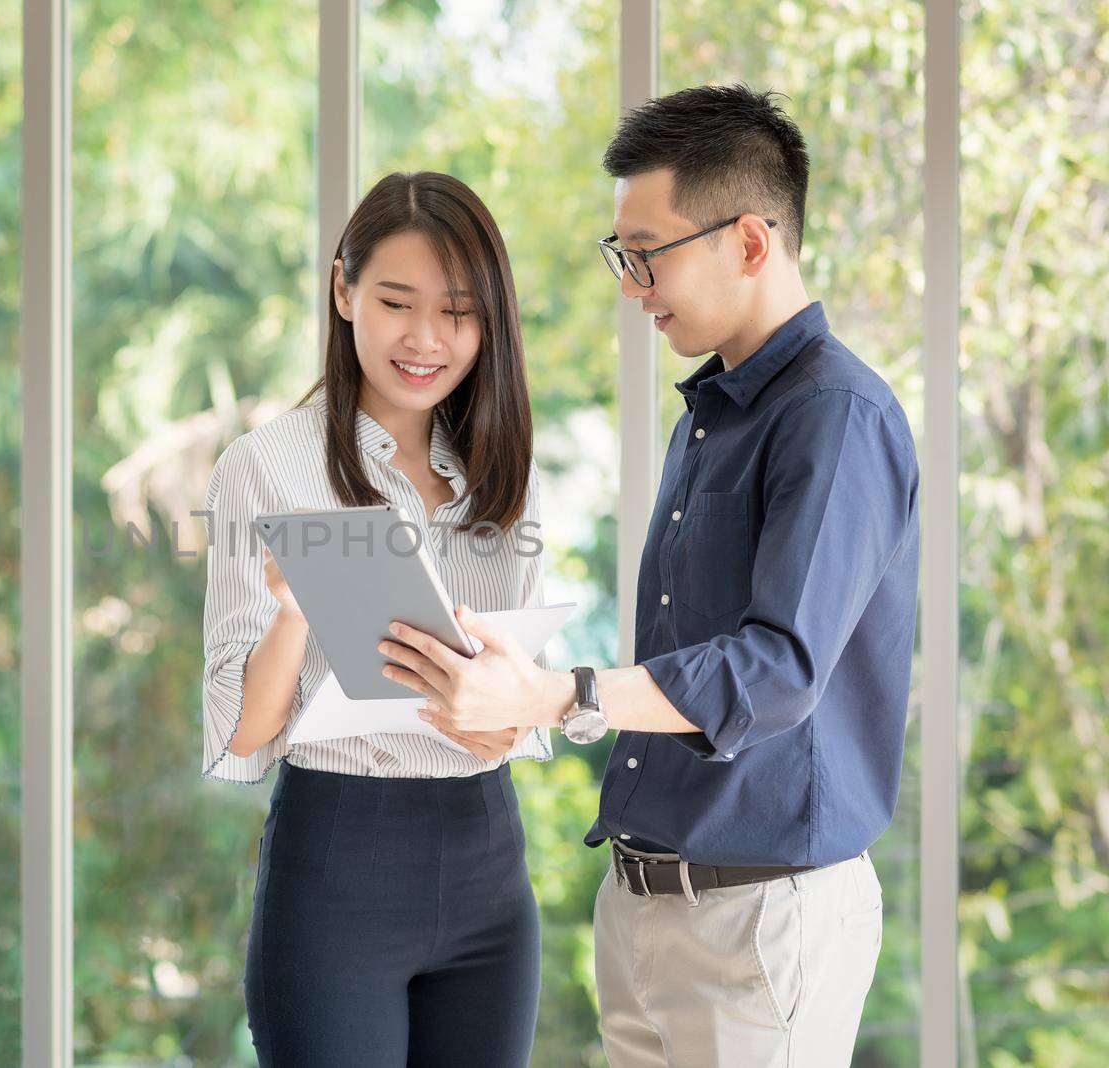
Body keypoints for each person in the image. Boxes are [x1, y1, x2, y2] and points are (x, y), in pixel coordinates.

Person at [386, 85, 920, 1067]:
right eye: (621, 256)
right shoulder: (708, 418)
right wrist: (537, 693)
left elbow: (775, 670)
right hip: (643, 908)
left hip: (758, 922)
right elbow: (683, 664)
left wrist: (561, 692)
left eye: (648, 253)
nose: (632, 285)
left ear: (750, 242)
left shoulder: (837, 417)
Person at [200, 171, 550, 1066]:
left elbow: (509, 710)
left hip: (487, 861)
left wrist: (499, 720)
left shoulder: (503, 469)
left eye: (459, 311)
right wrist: (291, 614)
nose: (427, 338)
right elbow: (241, 738)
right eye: (397, 302)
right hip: (339, 862)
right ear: (344, 289)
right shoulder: (267, 467)